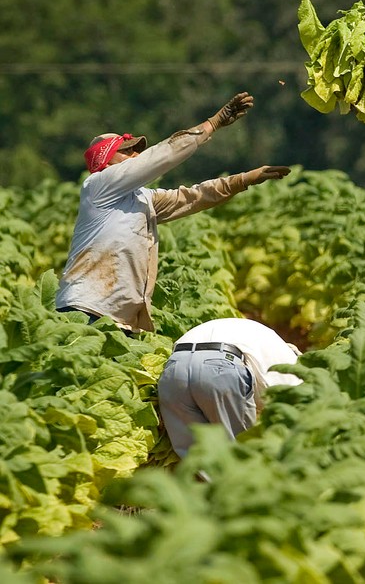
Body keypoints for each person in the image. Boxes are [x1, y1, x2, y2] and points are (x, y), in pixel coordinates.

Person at [55, 92, 291, 333]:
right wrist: (213, 123)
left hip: (119, 320)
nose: (137, 155)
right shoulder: (98, 186)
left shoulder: (143, 198)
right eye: (128, 150)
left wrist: (244, 179)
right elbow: (162, 156)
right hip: (84, 310)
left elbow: (192, 197)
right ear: (104, 159)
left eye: (137, 150)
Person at [158, 317, 303, 457]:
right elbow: (288, 409)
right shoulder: (292, 366)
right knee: (239, 453)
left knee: (195, 457)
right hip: (220, 366)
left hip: (175, 368)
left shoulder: (264, 338)